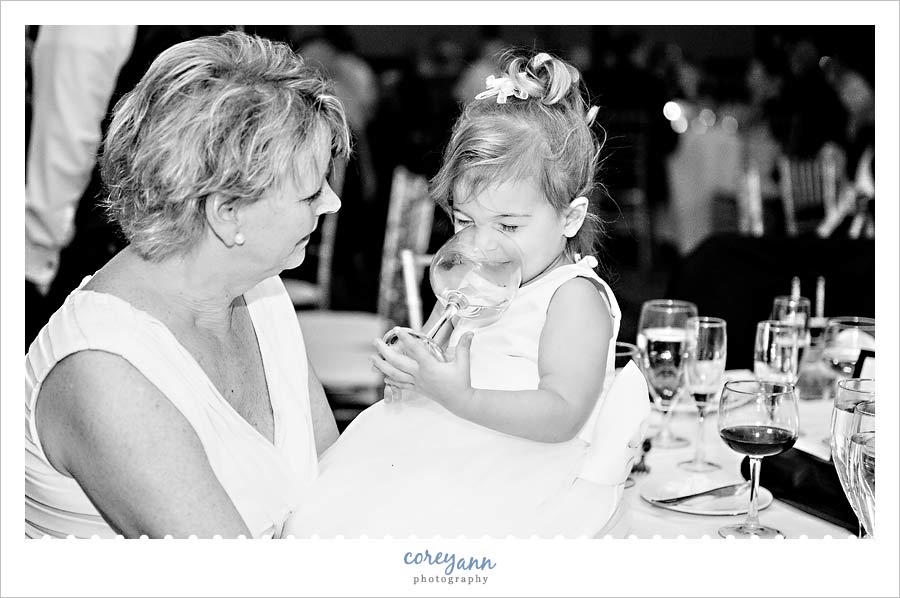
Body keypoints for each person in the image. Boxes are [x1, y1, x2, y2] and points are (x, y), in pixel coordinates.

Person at [284, 50, 650, 538]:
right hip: (437, 445)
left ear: (570, 218)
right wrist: (414, 373)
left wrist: (463, 397)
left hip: (518, 472)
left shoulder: (573, 297)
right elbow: (441, 353)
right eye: (464, 221)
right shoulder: (474, 279)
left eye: (509, 224)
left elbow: (563, 413)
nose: (483, 242)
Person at [25, 31, 350, 539]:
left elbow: (334, 483)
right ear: (226, 214)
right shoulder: (105, 375)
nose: (331, 203)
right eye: (311, 193)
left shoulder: (260, 290)